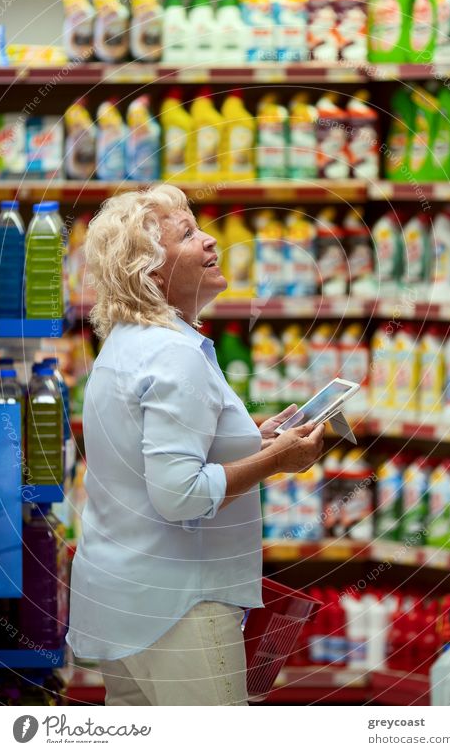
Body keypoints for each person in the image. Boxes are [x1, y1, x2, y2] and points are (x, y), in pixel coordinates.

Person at [66, 184, 324, 706]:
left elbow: (156, 452)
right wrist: (278, 459)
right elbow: (178, 494)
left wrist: (254, 437)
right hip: (180, 609)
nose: (210, 241)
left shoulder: (128, 343)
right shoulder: (172, 353)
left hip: (124, 604)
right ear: (152, 272)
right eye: (187, 235)